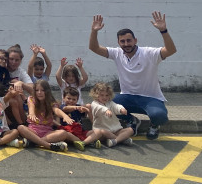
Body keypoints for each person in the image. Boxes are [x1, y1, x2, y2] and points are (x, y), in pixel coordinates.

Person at [88, 12, 176, 140]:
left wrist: (163, 30)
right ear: (118, 43)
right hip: (128, 97)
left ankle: (154, 125)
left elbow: (171, 50)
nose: (126, 44)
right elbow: (94, 48)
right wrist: (94, 31)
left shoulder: (149, 53)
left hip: (151, 98)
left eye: (129, 40)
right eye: (122, 41)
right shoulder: (117, 53)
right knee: (105, 105)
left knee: (159, 115)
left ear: (135, 40)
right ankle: (132, 121)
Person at [16, 80, 79, 152]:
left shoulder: (51, 102)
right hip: (33, 130)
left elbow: (56, 110)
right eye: (37, 90)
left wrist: (65, 116)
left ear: (47, 91)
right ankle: (48, 145)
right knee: (20, 128)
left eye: (42, 90)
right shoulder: (31, 99)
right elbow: (31, 108)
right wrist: (32, 114)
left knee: (63, 133)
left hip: (47, 132)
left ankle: (34, 143)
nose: (39, 93)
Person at [89, 82, 134, 147]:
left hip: (115, 129)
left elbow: (116, 106)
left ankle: (115, 141)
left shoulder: (110, 103)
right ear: (96, 95)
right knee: (103, 132)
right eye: (102, 95)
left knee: (130, 130)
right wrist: (106, 110)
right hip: (103, 130)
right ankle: (121, 139)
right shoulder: (94, 104)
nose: (105, 97)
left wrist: (121, 109)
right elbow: (99, 108)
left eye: (107, 95)